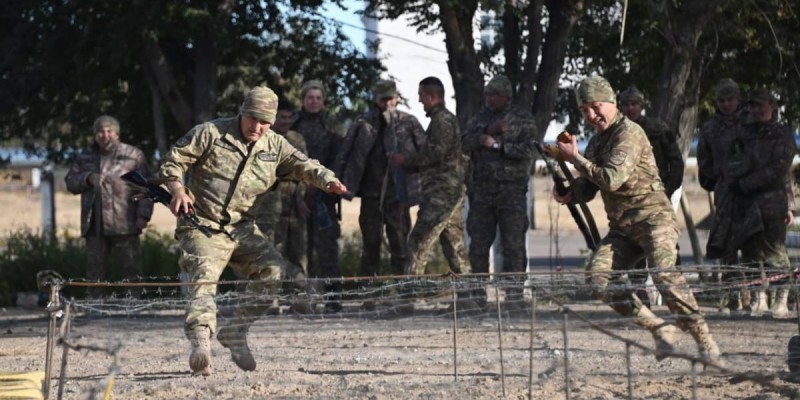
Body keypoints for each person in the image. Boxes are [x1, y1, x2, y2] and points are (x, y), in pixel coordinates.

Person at [157, 86, 347, 375]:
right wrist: (178, 190)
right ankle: (201, 344)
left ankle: (236, 332)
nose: (257, 127)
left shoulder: (275, 145)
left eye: (265, 122)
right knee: (204, 275)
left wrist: (326, 180)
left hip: (242, 227)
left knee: (273, 272)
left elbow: (304, 165)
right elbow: (173, 160)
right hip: (202, 224)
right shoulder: (210, 133)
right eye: (253, 119)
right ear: (242, 113)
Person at [554, 76, 721, 364]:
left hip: (654, 219)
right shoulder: (597, 141)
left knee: (664, 275)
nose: (591, 116)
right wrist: (567, 190)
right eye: (584, 111)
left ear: (611, 103)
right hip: (623, 229)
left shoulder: (629, 133)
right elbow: (590, 187)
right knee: (599, 279)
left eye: (595, 107)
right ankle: (660, 328)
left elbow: (612, 179)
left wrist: (576, 159)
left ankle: (705, 341)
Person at [711, 87, 796, 318]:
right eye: (753, 106)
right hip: (745, 203)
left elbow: (779, 170)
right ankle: (760, 298)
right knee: (751, 253)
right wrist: (736, 180)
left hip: (771, 203)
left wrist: (746, 182)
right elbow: (732, 162)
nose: (757, 110)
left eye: (761, 105)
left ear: (772, 106)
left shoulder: (782, 133)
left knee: (774, 252)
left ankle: (782, 300)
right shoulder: (744, 133)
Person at [335, 79, 425, 277]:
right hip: (371, 196)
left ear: (397, 99)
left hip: (399, 197)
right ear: (375, 99)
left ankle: (404, 296)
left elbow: (425, 154)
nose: (387, 104)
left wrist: (408, 164)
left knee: (400, 246)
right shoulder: (363, 123)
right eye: (383, 99)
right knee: (370, 247)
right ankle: (369, 295)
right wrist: (337, 183)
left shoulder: (408, 122)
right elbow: (345, 153)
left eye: (390, 99)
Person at [65, 115, 153, 297]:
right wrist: (87, 178)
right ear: (95, 135)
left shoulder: (133, 155)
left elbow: (146, 188)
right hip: (95, 226)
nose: (105, 135)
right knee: (94, 273)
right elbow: (71, 182)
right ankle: (97, 310)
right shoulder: (85, 157)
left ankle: (135, 307)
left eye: (109, 131)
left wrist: (143, 216)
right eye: (100, 132)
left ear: (117, 133)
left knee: (132, 270)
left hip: (126, 223)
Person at [391, 76, 470, 275]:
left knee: (417, 242)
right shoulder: (440, 120)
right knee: (455, 247)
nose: (419, 101)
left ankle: (407, 299)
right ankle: (472, 297)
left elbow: (436, 153)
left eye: (421, 96)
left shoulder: (442, 121)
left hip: (441, 194)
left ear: (433, 96)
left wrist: (406, 160)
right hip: (448, 193)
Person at [462, 75, 536, 278]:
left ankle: (515, 301)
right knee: (477, 245)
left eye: (493, 95)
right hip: (482, 193)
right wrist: (485, 133)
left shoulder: (522, 119)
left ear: (505, 96)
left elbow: (531, 150)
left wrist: (499, 146)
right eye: (487, 95)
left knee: (513, 247)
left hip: (511, 193)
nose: (489, 99)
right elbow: (464, 143)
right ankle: (478, 299)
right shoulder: (480, 118)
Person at [618, 87, 685, 306]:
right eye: (626, 105)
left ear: (641, 106)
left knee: (664, 243)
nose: (630, 109)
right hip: (632, 199)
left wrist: (668, 190)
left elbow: (675, 161)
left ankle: (675, 293)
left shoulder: (657, 129)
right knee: (637, 244)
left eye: (634, 104)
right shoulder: (618, 131)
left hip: (658, 196)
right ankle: (640, 294)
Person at [696, 78, 749, 313]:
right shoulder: (710, 129)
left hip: (751, 191)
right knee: (727, 245)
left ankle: (754, 297)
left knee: (752, 244)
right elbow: (703, 160)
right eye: (722, 100)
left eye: (731, 99)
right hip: (725, 192)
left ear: (738, 100)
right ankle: (732, 297)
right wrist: (718, 175)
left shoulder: (752, 122)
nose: (727, 104)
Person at [291, 80, 345, 307]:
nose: (314, 102)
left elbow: (340, 159)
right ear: (303, 100)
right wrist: (301, 193)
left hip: (325, 196)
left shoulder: (333, 126)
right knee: (301, 251)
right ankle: (305, 299)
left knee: (328, 248)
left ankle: (333, 299)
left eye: (318, 98)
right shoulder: (293, 124)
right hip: (297, 195)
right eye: (310, 98)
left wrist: (323, 186)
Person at [252, 100, 309, 274]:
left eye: (289, 117)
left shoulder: (296, 139)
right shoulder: (261, 139)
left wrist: (300, 197)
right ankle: (269, 299)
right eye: (282, 117)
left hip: (294, 210)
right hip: (267, 210)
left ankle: (299, 298)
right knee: (269, 257)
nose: (286, 121)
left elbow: (304, 171)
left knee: (298, 257)